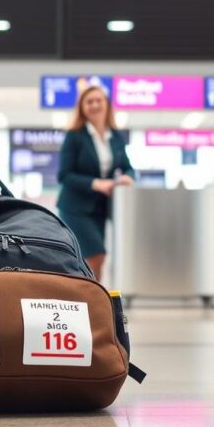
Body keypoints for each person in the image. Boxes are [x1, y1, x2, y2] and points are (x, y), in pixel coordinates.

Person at [57, 86, 134, 282]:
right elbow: (64, 175)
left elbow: (127, 166)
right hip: (75, 207)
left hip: (99, 208)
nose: (94, 105)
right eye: (89, 101)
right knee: (96, 255)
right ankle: (92, 299)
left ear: (107, 105)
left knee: (94, 257)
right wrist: (96, 184)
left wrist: (128, 176)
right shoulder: (75, 135)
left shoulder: (115, 137)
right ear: (82, 107)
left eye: (99, 100)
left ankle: (90, 299)